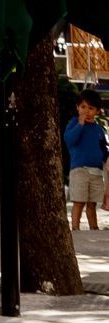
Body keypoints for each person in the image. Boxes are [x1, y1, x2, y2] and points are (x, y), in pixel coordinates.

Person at [68, 95, 105, 231]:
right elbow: (69, 140)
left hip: (96, 171)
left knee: (92, 203)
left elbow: (103, 148)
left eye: (91, 108)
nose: (86, 111)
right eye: (83, 107)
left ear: (97, 111)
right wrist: (80, 124)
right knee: (79, 201)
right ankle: (75, 227)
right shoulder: (74, 123)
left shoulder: (98, 129)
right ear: (77, 107)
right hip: (79, 169)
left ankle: (93, 227)